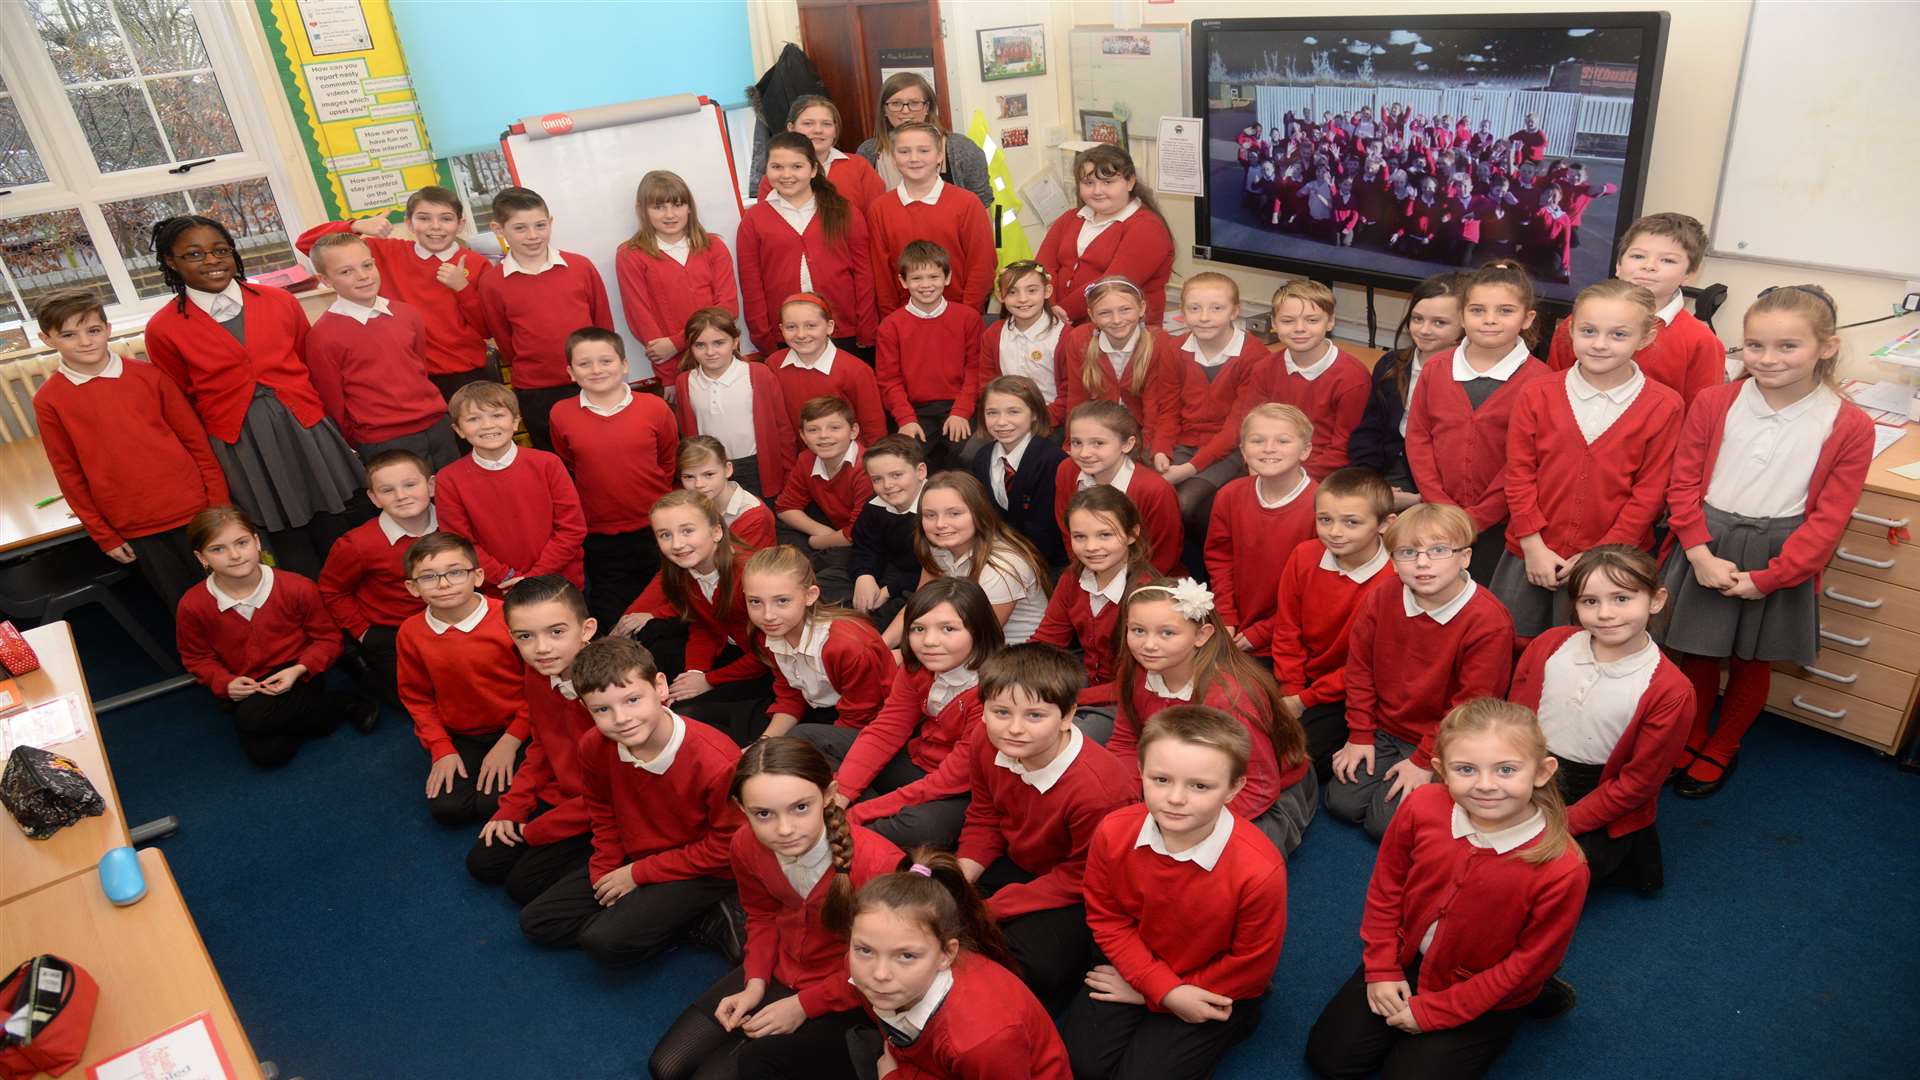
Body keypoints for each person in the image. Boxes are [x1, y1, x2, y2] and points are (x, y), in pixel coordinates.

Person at [1658, 283, 1873, 797]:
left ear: (1827, 347)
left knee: (1755, 658)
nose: (1767, 359)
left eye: (1787, 346)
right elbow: (1683, 482)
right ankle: (1692, 735)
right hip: (1706, 542)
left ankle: (1723, 744)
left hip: (1781, 554)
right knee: (1699, 649)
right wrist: (1698, 553)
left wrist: (1772, 578)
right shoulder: (1715, 402)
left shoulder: (1848, 425)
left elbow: (1827, 519)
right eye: (1755, 346)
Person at [1304, 699, 1589, 1080]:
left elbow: (1527, 963)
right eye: (1465, 769)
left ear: (1542, 772)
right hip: (1409, 958)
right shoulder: (1421, 805)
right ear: (1440, 770)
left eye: (1506, 769)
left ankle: (1538, 998)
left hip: (1484, 983)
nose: (1485, 785)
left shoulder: (1563, 867)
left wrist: (1435, 1013)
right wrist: (1382, 969)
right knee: (1331, 1060)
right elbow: (1387, 888)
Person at [647, 737, 901, 1080]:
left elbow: (887, 970)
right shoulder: (745, 844)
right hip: (782, 968)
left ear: (828, 795)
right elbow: (761, 915)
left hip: (847, 990)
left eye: (800, 808)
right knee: (666, 1067)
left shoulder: (880, 864)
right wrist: (755, 982)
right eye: (763, 814)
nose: (784, 830)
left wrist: (803, 1005)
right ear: (741, 808)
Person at [1062, 706, 1288, 1080]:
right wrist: (1160, 989)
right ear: (1141, 772)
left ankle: (1239, 1021)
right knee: (1082, 1066)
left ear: (1234, 788)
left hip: (1212, 983)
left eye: (1200, 786)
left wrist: (1162, 995)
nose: (1176, 799)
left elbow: (1250, 966)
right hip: (1137, 963)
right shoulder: (1113, 832)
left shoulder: (1260, 871)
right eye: (1161, 779)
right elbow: (1107, 918)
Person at [143, 215, 364, 580]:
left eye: (220, 250)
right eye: (194, 254)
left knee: (338, 526)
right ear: (171, 262)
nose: (212, 261)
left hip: (304, 427)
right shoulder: (163, 328)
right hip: (242, 445)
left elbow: (305, 362)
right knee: (284, 542)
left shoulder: (279, 302)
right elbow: (181, 401)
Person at [518, 637, 744, 966]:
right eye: (602, 709)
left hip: (704, 868)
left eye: (633, 699)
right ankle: (657, 917)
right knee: (537, 923)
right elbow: (601, 808)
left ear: (660, 687)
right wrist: (605, 867)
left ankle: (706, 916)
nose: (621, 718)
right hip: (638, 851)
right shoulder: (594, 745)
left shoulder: (716, 760)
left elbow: (726, 847)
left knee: (602, 942)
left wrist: (638, 874)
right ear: (585, 708)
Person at [1493, 281, 1682, 639]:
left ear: (1645, 337)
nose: (1599, 343)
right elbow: (1518, 473)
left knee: (1590, 649)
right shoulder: (1537, 393)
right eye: (1589, 331)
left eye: (1618, 334)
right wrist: (1533, 545)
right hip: (1531, 555)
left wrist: (1598, 557)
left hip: (1612, 567)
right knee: (1515, 645)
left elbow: (1649, 494)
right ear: (1570, 329)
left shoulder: (1664, 405)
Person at [956, 644, 1136, 1012]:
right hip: (1024, 861)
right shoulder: (985, 739)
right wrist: (959, 879)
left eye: (1035, 715)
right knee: (932, 887)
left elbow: (1081, 877)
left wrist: (991, 909)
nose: (1015, 729)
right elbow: (985, 816)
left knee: (1031, 961)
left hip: (1083, 886)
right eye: (1001, 712)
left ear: (1068, 715)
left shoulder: (1099, 791)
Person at [1510, 546, 1693, 892]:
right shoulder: (1550, 645)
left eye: (1622, 599)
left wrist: (1562, 823)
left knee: (1542, 877)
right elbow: (1514, 723)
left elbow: (1636, 784)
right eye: (1590, 602)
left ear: (1656, 600)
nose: (1606, 614)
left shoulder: (1670, 690)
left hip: (1597, 796)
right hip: (1529, 773)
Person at [1327, 504, 1515, 839]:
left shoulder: (1488, 621)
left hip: (1447, 737)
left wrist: (1426, 759)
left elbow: (1469, 709)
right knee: (1341, 803)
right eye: (1408, 552)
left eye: (1439, 550)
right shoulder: (1382, 596)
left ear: (1465, 558)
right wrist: (1359, 734)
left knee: (1383, 826)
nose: (1423, 563)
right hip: (1385, 727)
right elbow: (1359, 668)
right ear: (1394, 561)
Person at [31, 289, 225, 609]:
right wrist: (103, 535)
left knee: (230, 584)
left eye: (93, 330)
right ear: (47, 339)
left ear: (108, 330)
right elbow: (68, 472)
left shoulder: (149, 376)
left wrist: (218, 503)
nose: (84, 341)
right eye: (69, 334)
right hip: (135, 523)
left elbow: (196, 443)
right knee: (185, 604)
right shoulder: (49, 400)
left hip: (196, 509)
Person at [1106, 578, 1316, 854]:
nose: (1149, 645)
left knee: (1223, 861)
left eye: (1167, 633)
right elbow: (1125, 741)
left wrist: (1183, 823)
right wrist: (1132, 802)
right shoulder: (1135, 673)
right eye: (1138, 630)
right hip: (1179, 781)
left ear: (1202, 635)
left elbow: (1259, 786)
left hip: (1262, 793)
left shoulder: (1229, 697)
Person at [836, 849, 1071, 1079]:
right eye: (865, 950)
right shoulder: (867, 972)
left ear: (946, 954)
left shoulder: (984, 1042)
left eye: (906, 956)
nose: (880, 974)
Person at [175, 505, 376, 767]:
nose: (234, 555)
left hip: (296, 671)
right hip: (244, 682)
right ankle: (327, 710)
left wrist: (300, 669)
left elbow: (328, 639)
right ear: (201, 558)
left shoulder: (297, 587)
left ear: (256, 542)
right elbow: (196, 657)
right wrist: (224, 683)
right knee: (269, 756)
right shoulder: (192, 605)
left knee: (252, 719)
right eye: (218, 549)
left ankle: (339, 703)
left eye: (242, 542)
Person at [825, 579, 1003, 851]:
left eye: (948, 629)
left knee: (920, 826)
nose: (930, 642)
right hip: (918, 764)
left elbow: (949, 781)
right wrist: (842, 794)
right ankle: (859, 815)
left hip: (961, 791)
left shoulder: (994, 693)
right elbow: (886, 730)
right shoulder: (916, 668)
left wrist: (855, 813)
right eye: (918, 629)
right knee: (809, 737)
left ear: (978, 631)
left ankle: (850, 829)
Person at [1405, 260, 1551, 583]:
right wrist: (1440, 505)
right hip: (1438, 517)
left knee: (1484, 601)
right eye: (1477, 310)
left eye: (1504, 311)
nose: (1489, 321)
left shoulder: (1542, 382)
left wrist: (1478, 517)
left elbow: (1527, 460)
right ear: (1461, 315)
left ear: (1527, 318)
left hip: (1501, 526)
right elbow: (1418, 438)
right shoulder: (1436, 369)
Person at [467, 576, 598, 908]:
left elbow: (613, 791)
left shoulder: (609, 692)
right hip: (564, 793)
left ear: (586, 630)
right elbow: (541, 743)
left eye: (556, 632)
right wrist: (514, 806)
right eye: (526, 636)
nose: (542, 648)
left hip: (602, 808)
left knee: (522, 886)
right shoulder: (540, 672)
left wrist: (536, 831)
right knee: (483, 864)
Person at [294, 186, 495, 399]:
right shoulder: (385, 251)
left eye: (446, 219)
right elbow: (306, 244)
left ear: (461, 224)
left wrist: (462, 288)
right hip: (407, 376)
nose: (435, 227)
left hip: (466, 374)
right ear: (409, 223)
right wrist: (355, 225)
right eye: (424, 218)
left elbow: (486, 330)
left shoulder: (477, 264)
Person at [548, 328, 680, 628]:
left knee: (664, 610)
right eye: (585, 364)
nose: (596, 370)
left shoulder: (654, 408)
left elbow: (667, 459)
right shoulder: (561, 413)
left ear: (624, 364)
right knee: (614, 616)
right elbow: (569, 463)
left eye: (605, 361)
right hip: (600, 534)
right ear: (570, 372)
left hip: (655, 527)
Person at [1271, 467, 1397, 782]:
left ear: (1384, 524)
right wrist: (1291, 691)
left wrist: (1302, 702)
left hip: (1353, 691)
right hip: (1299, 680)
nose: (1335, 532)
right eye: (1325, 520)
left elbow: (1368, 666)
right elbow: (1287, 631)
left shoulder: (1394, 581)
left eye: (1351, 522)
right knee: (1243, 729)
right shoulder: (1304, 555)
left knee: (1299, 759)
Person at [394, 531, 528, 826]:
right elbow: (416, 696)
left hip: (518, 727)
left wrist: (511, 741)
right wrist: (441, 746)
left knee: (492, 805)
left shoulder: (511, 618)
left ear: (478, 576)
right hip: (462, 732)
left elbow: (540, 686)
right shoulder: (410, 633)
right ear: (412, 587)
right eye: (428, 577)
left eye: (455, 572)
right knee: (449, 810)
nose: (443, 584)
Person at [619, 490, 772, 745]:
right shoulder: (683, 573)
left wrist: (709, 680)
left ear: (716, 532)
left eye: (687, 531)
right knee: (665, 674)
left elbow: (769, 652)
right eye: (665, 535)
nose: (677, 544)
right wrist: (694, 672)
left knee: (685, 715)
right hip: (738, 653)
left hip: (770, 670)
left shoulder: (748, 575)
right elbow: (702, 626)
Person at [302, 233, 458, 469]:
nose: (362, 276)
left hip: (437, 425)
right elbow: (334, 403)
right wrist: (364, 439)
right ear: (325, 280)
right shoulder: (322, 337)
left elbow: (420, 368)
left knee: (451, 495)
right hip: (385, 440)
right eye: (346, 271)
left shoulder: (408, 314)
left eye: (367, 265)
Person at [475, 186, 614, 450]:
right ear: (498, 229)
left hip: (593, 381)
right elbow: (505, 341)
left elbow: (603, 326)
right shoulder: (492, 283)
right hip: (538, 390)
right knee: (555, 460)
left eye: (540, 225)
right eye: (520, 228)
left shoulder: (580, 267)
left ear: (550, 223)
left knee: (605, 450)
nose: (533, 236)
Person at [1545, 212, 1727, 406]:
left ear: (1690, 273)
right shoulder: (1578, 326)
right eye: (1638, 256)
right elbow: (1552, 394)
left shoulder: (1702, 343)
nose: (1649, 266)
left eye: (1667, 260)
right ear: (1618, 265)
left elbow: (1701, 420)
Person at [433, 381, 587, 591]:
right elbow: (460, 543)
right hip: (498, 590)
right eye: (473, 419)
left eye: (497, 415)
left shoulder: (548, 464)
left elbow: (572, 529)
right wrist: (507, 576)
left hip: (560, 584)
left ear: (516, 421)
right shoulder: (448, 479)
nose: (487, 425)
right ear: (458, 430)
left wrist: (536, 576)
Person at [739, 131, 877, 358]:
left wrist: (866, 327)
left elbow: (864, 274)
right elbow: (751, 284)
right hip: (786, 336)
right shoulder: (754, 220)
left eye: (796, 166)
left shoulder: (844, 211)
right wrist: (763, 337)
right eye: (776, 167)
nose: (786, 175)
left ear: (813, 170)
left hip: (844, 331)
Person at [1034, 486, 1157, 736]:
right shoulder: (1072, 578)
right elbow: (1046, 643)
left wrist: (1067, 698)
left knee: (1055, 738)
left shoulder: (1145, 594)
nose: (1091, 547)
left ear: (1132, 534)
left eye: (1105, 535)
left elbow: (1133, 684)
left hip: (1131, 700)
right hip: (1088, 686)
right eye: (1080, 537)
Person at [742, 545, 896, 741]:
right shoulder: (769, 633)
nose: (768, 615)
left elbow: (860, 718)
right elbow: (791, 695)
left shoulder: (846, 646)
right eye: (755, 602)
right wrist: (763, 742)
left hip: (872, 725)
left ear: (810, 596)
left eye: (782, 601)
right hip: (824, 713)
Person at [1202, 405, 1322, 657]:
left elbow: (1316, 589)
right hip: (1234, 628)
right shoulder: (1229, 495)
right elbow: (1220, 559)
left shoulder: (1323, 506)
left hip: (1292, 638)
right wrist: (1226, 616)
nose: (1269, 448)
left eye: (1283, 441)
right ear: (1243, 451)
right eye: (1257, 441)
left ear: (1306, 450)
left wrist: (1262, 633)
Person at [317, 449, 436, 703]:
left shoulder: (456, 523)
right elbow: (332, 591)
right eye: (387, 490)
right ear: (374, 498)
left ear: (431, 485)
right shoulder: (357, 544)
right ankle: (368, 673)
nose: (401, 496)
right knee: (419, 701)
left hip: (453, 620)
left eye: (410, 485)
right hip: (394, 633)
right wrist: (362, 632)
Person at [1157, 273, 1270, 537]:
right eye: (1194, 308)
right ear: (1182, 313)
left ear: (1235, 311)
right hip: (1182, 443)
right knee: (1147, 499)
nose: (1204, 317)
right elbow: (1168, 409)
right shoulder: (1174, 349)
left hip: (1228, 450)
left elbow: (1236, 429)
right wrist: (1162, 450)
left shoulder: (1254, 357)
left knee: (1183, 504)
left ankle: (1196, 574)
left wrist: (1187, 469)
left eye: (1216, 308)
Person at [1347, 272, 1467, 510]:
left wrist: (1420, 500)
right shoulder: (1392, 366)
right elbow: (1370, 431)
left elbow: (1463, 461)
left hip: (1439, 486)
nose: (1424, 330)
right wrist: (1367, 482)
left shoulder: (1469, 378)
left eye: (1439, 322)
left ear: (1464, 325)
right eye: (1417, 318)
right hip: (1391, 468)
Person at [615, 171, 739, 386]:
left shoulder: (714, 246)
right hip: (675, 369)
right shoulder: (630, 255)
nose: (669, 215)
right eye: (658, 207)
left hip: (723, 359)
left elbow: (728, 308)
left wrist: (676, 342)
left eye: (678, 205)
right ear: (641, 210)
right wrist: (667, 377)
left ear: (689, 207)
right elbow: (641, 318)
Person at [865, 121, 996, 318]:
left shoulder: (967, 203)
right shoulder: (880, 209)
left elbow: (982, 264)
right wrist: (893, 319)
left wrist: (967, 313)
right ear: (893, 158)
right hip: (904, 319)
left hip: (959, 315)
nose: (914, 158)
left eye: (924, 150)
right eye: (904, 151)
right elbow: (881, 275)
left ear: (940, 156)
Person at [1036, 144, 1175, 325]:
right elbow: (1042, 269)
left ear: (1130, 182)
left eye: (1108, 182)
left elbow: (1111, 285)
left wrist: (1061, 313)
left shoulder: (1148, 228)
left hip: (1121, 333)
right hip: (1060, 324)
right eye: (1088, 183)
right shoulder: (1070, 218)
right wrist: (1048, 308)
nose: (1097, 191)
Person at [875, 241, 982, 472]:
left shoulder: (968, 318)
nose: (926, 285)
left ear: (947, 277)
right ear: (903, 281)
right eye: (916, 278)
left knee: (969, 454)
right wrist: (906, 419)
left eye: (933, 277)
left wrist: (961, 412)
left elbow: (974, 370)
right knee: (905, 460)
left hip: (958, 405)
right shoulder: (891, 326)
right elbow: (888, 380)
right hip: (914, 410)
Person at [910, 472, 1050, 646]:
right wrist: (881, 649)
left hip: (1015, 658)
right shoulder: (939, 546)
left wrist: (900, 656)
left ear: (978, 514)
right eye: (930, 515)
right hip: (953, 640)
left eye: (954, 514)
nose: (940, 524)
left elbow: (977, 640)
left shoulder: (1001, 566)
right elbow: (918, 612)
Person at [671, 308, 795, 501]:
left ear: (735, 341)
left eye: (719, 343)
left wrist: (789, 473)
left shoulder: (758, 374)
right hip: (709, 472)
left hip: (756, 468)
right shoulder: (684, 382)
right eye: (700, 345)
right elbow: (688, 435)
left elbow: (783, 428)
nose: (710, 352)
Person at [1053, 402, 1183, 576]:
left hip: (1145, 583)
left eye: (1098, 443)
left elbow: (1163, 555)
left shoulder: (1155, 490)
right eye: (1076, 443)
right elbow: (1067, 531)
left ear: (1127, 444)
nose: (1084, 453)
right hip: (1087, 572)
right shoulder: (1067, 470)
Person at [1057, 278, 1180, 456]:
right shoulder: (1079, 339)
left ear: (1141, 308)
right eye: (1105, 313)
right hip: (1096, 429)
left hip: (1141, 433)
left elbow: (1155, 407)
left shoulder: (1160, 343)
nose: (1116, 320)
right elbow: (1077, 397)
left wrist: (1146, 453)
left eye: (1125, 310)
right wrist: (1072, 443)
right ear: (1092, 315)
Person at [774, 396, 872, 604]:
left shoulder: (866, 468)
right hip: (832, 532)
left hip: (864, 539)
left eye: (834, 428)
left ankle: (809, 591)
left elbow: (856, 533)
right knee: (782, 529)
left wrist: (817, 541)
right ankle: (801, 577)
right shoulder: (806, 459)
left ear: (853, 431)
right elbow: (785, 507)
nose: (824, 436)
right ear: (802, 435)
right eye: (813, 430)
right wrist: (822, 532)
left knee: (838, 568)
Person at [967, 375, 1068, 569]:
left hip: (1045, 562)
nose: (1001, 422)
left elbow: (1045, 531)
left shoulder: (1052, 460)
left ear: (1035, 414)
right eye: (992, 413)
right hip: (997, 556)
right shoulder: (982, 457)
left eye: (1013, 412)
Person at [856, 72, 993, 208]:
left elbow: (981, 208)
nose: (905, 111)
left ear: (927, 108)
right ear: (884, 110)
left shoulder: (961, 149)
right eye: (896, 103)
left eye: (914, 103)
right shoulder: (869, 152)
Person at [767, 294, 887, 443]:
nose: (801, 334)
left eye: (811, 326)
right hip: (797, 461)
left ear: (829, 326)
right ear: (781, 329)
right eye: (791, 327)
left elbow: (873, 427)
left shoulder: (856, 370)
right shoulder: (773, 365)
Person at [848, 435, 929, 634]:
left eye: (896, 475)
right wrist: (864, 575)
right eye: (877, 479)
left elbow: (940, 570)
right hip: (889, 569)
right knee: (827, 579)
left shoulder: (937, 509)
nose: (887, 485)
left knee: (902, 612)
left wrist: (889, 590)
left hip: (923, 580)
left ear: (920, 471)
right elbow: (864, 546)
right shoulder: (875, 507)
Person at [756, 93, 887, 210]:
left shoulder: (858, 166)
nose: (818, 130)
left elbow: (878, 216)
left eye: (826, 124)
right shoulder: (776, 177)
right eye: (808, 124)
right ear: (791, 128)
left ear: (835, 130)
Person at [978, 262, 1068, 429]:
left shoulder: (1064, 336)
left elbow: (1069, 392)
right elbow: (987, 383)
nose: (1022, 299)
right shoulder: (993, 334)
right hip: (1004, 420)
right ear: (1000, 295)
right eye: (1012, 292)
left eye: (1032, 290)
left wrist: (1040, 421)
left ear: (1047, 291)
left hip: (1050, 421)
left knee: (1035, 454)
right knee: (971, 454)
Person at [679, 435, 777, 548]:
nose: (698, 485)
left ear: (728, 469)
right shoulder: (683, 505)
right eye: (689, 477)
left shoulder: (755, 516)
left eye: (708, 475)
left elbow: (743, 564)